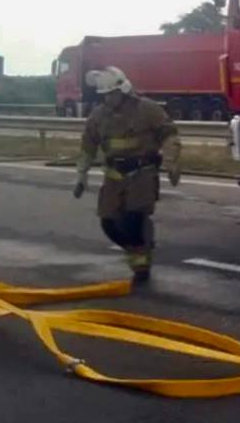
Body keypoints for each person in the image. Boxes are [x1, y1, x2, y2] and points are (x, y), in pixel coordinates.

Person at [72, 66, 181, 282]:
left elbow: (169, 134)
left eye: (112, 94)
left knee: (134, 219)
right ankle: (138, 248)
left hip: (142, 173)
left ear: (123, 90)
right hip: (113, 175)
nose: (109, 99)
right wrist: (81, 175)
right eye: (105, 95)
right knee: (109, 223)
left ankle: (141, 265)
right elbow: (88, 146)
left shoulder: (147, 109)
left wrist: (172, 163)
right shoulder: (99, 116)